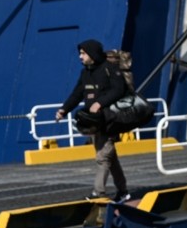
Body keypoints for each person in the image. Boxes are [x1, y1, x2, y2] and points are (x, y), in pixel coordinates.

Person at [56, 40, 131, 203]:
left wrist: (100, 103)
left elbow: (119, 89)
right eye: (80, 53)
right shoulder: (86, 73)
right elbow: (77, 94)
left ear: (92, 54)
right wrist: (64, 110)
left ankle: (98, 192)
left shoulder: (110, 69)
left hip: (111, 120)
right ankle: (123, 191)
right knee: (110, 157)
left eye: (83, 53)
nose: (80, 56)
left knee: (103, 156)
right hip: (95, 123)